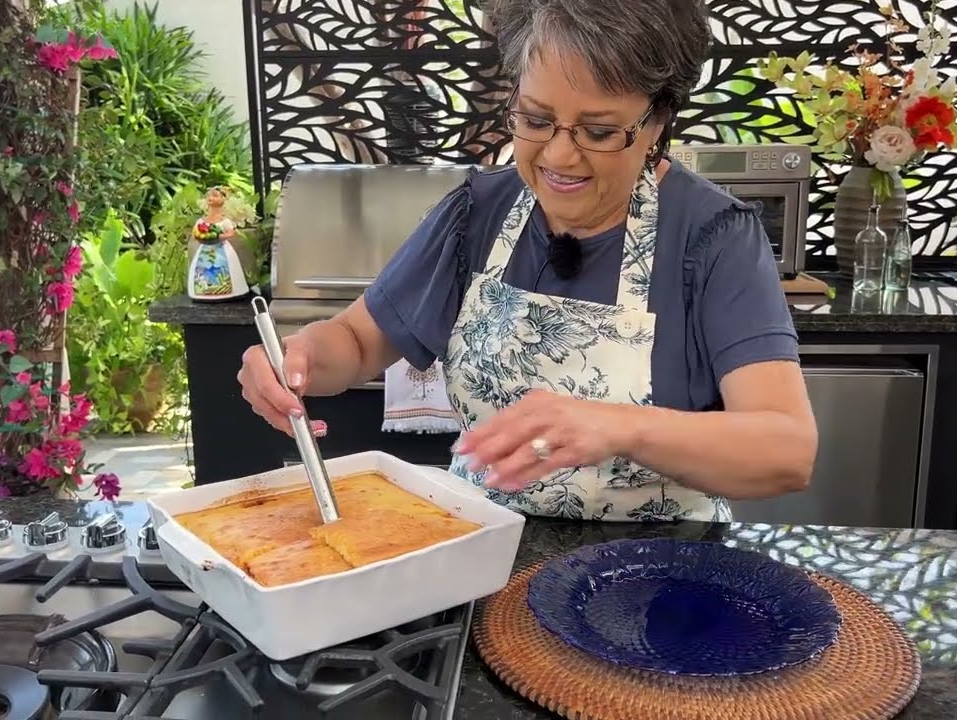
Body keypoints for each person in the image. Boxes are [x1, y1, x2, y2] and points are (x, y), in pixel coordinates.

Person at [238, 0, 817, 522]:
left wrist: (621, 427)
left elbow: (786, 451)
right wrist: (300, 359)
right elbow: (359, 340)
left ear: (658, 122)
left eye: (599, 131)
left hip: (663, 584)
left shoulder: (712, 236)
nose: (561, 155)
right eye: (536, 120)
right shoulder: (477, 212)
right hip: (484, 551)